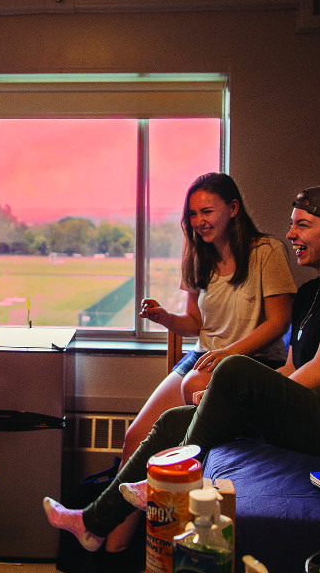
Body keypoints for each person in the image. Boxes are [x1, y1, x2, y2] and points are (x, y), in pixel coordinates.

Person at [44, 186, 320, 552]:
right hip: (314, 411)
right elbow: (293, 366)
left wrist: (248, 394)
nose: (291, 234)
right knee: (174, 420)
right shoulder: (310, 294)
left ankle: (168, 480)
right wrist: (226, 400)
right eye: (292, 225)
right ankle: (92, 523)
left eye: (303, 226)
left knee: (233, 369)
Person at [105, 172, 296, 554]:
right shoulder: (197, 255)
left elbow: (279, 322)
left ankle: (161, 538)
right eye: (192, 214)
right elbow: (194, 323)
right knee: (134, 436)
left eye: (207, 211)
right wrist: (163, 317)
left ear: (233, 208)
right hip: (203, 355)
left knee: (185, 417)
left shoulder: (266, 250)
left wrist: (229, 353)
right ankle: (112, 548)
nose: (199, 221)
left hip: (251, 361)